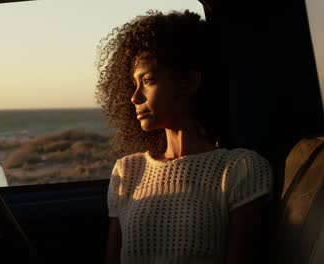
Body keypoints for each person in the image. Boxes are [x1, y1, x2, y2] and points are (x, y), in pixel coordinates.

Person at [95, 10, 273, 264]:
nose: (135, 97)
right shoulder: (127, 171)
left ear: (188, 82)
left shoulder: (239, 169)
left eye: (148, 80)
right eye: (133, 84)